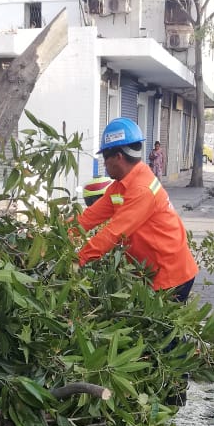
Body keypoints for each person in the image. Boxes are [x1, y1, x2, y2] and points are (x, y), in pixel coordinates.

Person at [73, 118, 198, 301]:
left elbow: (114, 232)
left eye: (105, 158)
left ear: (118, 157)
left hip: (170, 275)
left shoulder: (142, 189)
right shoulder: (120, 186)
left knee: (154, 320)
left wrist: (79, 259)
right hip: (149, 272)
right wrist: (56, 233)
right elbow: (88, 218)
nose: (104, 165)